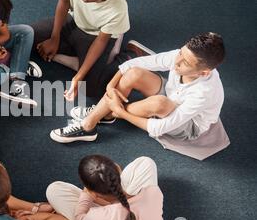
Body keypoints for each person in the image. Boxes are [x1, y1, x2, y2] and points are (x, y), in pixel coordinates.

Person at [50, 33, 226, 144]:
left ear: (203, 73)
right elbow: (134, 63)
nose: (177, 61)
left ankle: (90, 124)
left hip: (189, 125)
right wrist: (111, 87)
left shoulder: (204, 93)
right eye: (180, 52)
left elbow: (160, 127)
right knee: (134, 73)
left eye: (185, 63)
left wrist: (121, 111)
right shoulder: (181, 56)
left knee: (159, 103)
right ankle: (104, 113)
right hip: (172, 94)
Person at [31, 0, 130, 99]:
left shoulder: (119, 9)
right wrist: (54, 37)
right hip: (74, 20)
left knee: (91, 89)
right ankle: (77, 59)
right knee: (27, 35)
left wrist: (78, 76)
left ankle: (125, 56)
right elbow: (64, 1)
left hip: (97, 35)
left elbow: (100, 42)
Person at [46, 155, 166, 220]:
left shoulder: (97, 216)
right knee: (145, 162)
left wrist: (86, 195)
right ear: (118, 168)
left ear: (93, 192)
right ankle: (112, 202)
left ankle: (109, 203)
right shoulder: (153, 193)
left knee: (54, 190)